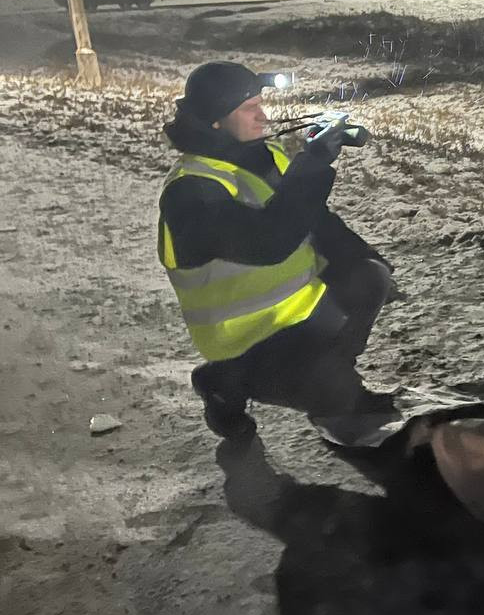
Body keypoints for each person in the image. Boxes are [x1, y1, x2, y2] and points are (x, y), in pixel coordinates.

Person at [157, 60, 398, 444]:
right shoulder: (192, 191)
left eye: (260, 103)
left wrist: (365, 259)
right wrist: (314, 163)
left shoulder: (262, 156)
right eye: (249, 109)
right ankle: (224, 381)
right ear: (216, 120)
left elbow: (314, 221)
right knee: (338, 402)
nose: (263, 116)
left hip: (297, 314)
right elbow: (268, 243)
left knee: (369, 278)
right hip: (243, 336)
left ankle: (334, 379)